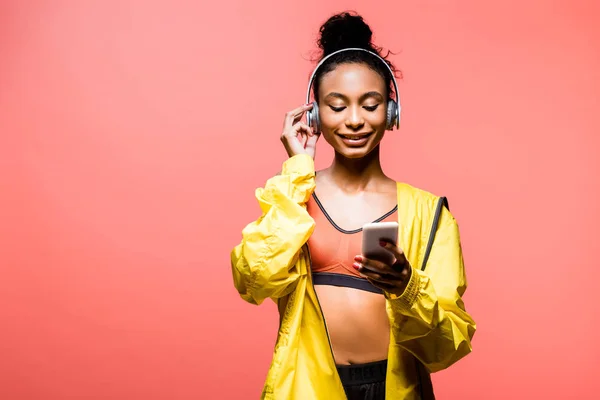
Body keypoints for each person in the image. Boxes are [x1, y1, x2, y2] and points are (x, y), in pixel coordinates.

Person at [230, 11, 476, 400]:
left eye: (370, 104)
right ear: (314, 114)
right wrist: (297, 170)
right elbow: (253, 280)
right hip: (306, 388)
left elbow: (448, 347)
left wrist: (406, 286)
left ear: (391, 112)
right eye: (337, 106)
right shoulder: (295, 197)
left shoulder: (431, 214)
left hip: (396, 389)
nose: (355, 121)